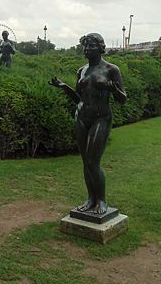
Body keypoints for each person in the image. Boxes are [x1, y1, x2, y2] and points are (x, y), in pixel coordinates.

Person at [50, 32, 127, 214]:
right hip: (81, 117)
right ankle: (91, 199)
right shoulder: (81, 71)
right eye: (85, 45)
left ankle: (101, 200)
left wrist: (113, 89)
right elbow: (78, 98)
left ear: (100, 47)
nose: (87, 49)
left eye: (91, 45)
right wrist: (64, 87)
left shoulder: (111, 69)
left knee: (93, 162)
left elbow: (122, 99)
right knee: (86, 162)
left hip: (101, 118)